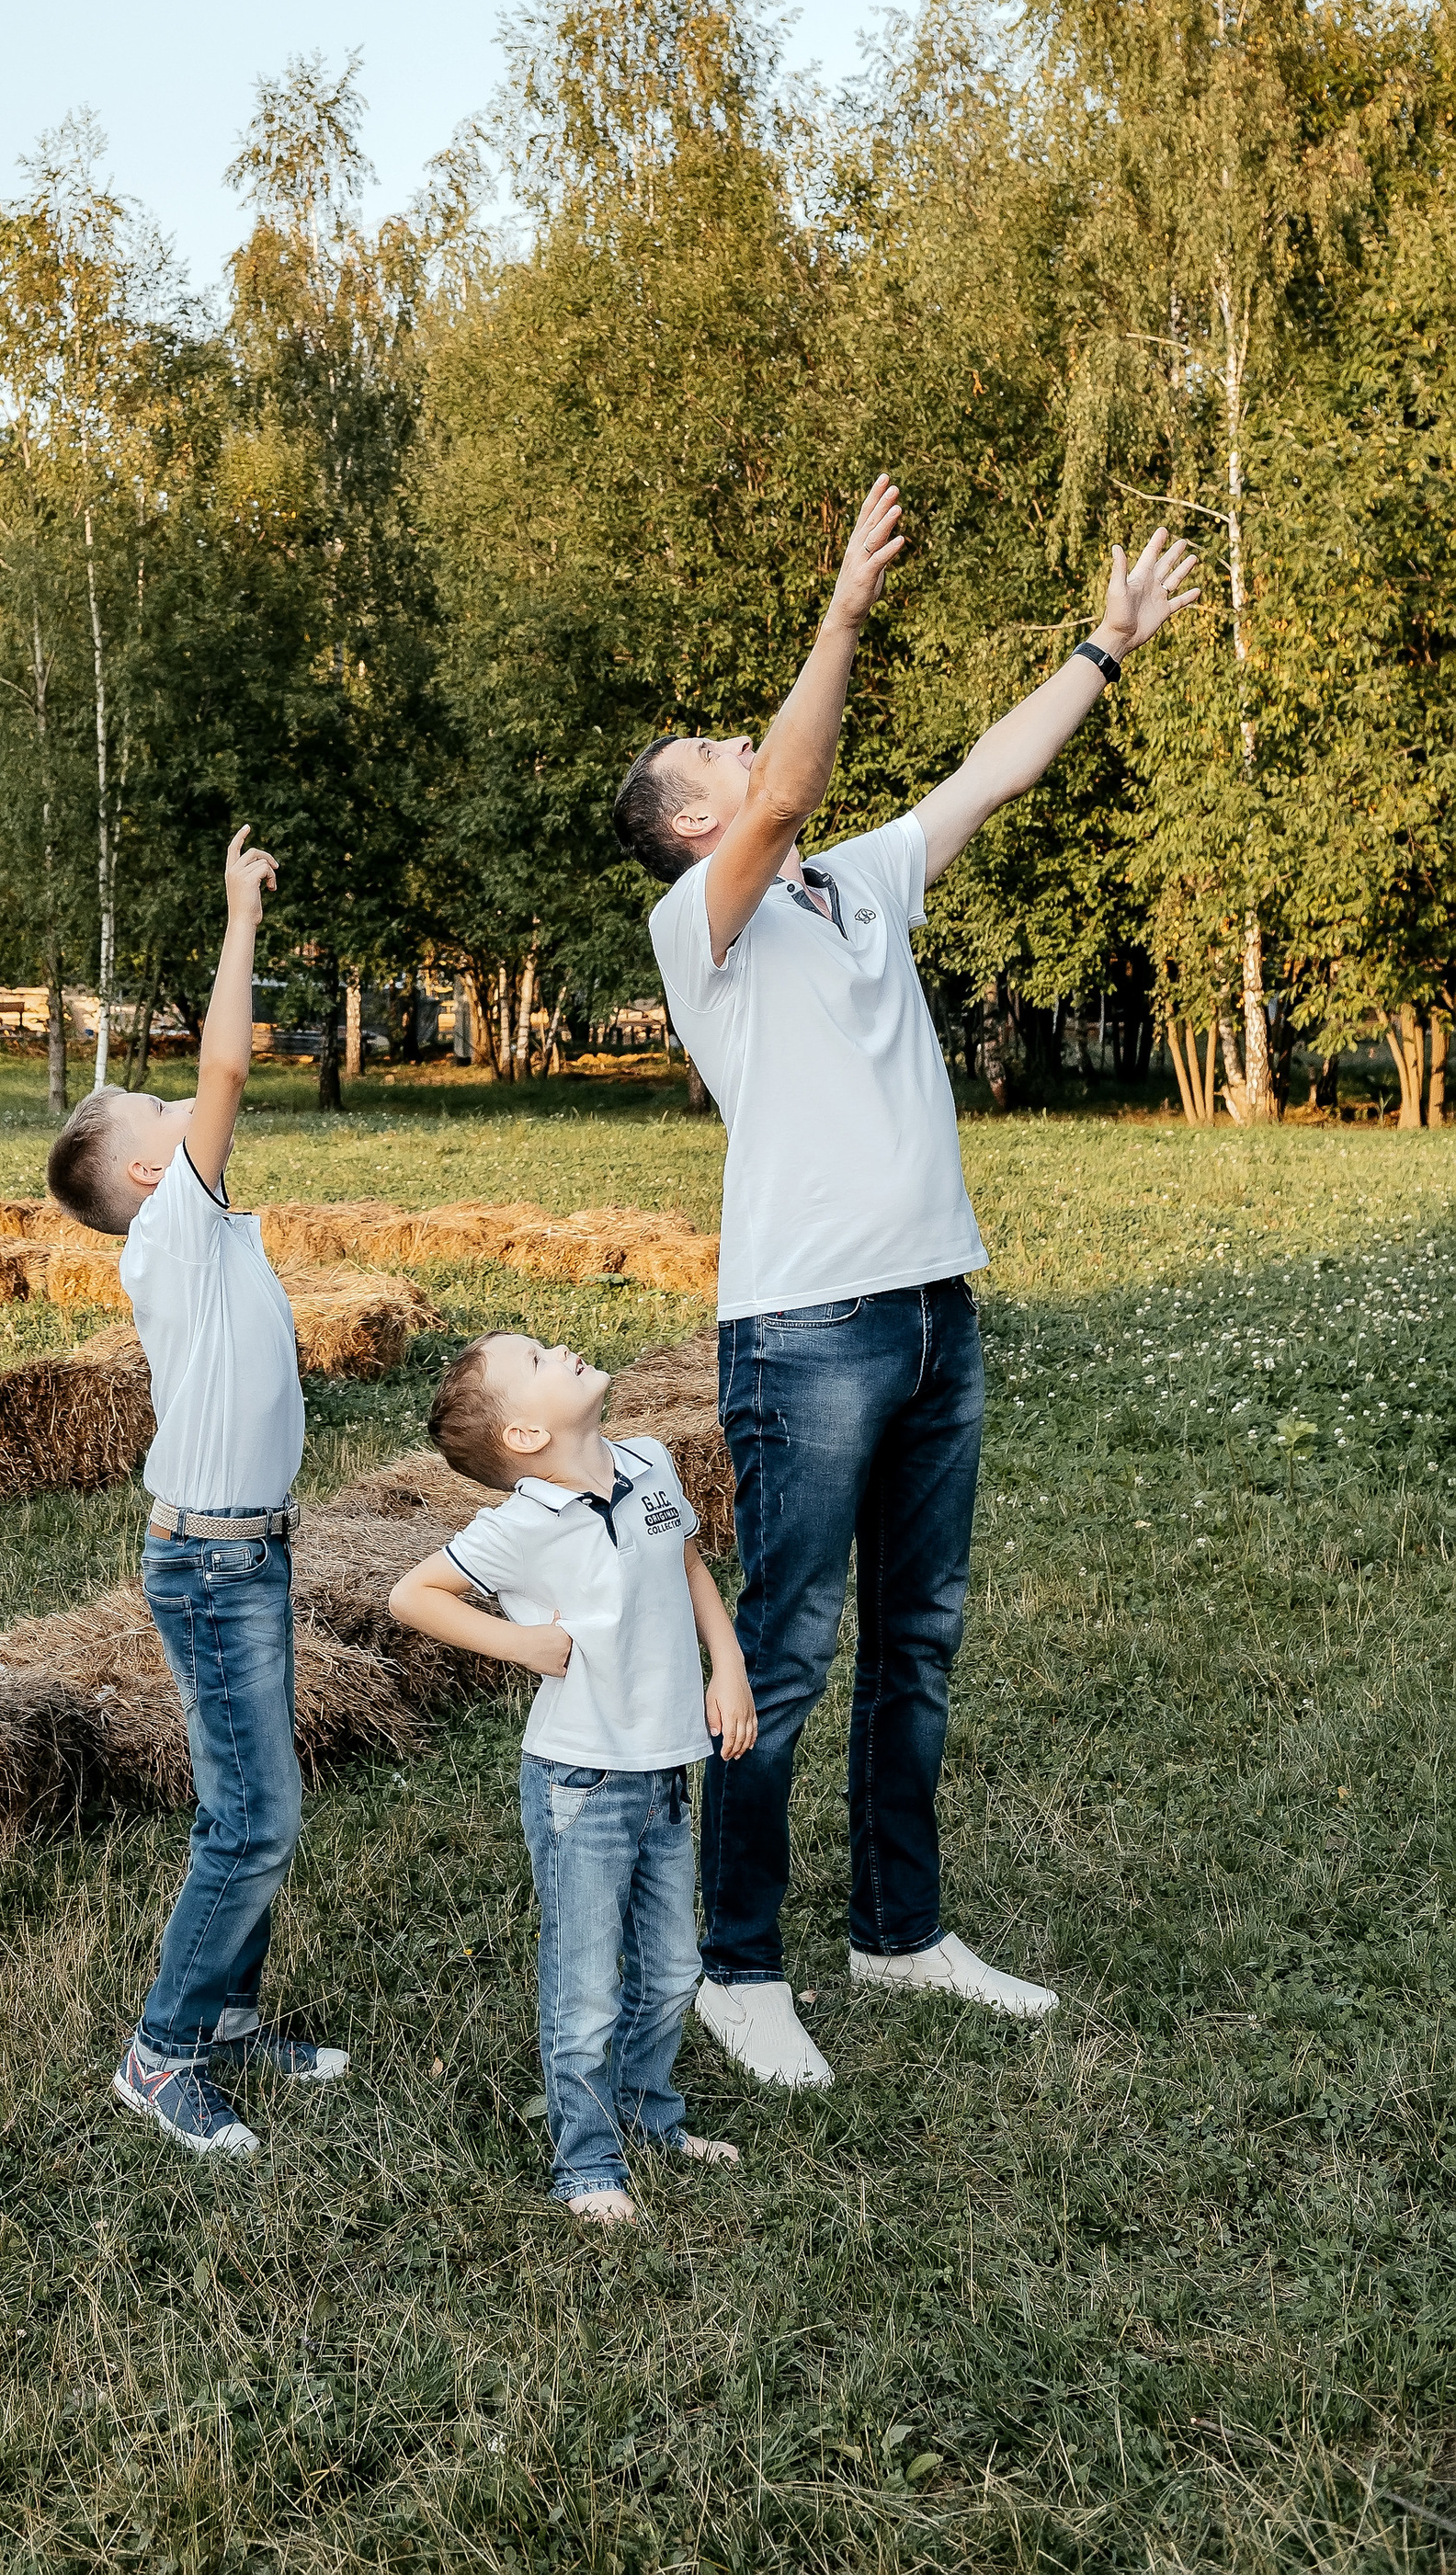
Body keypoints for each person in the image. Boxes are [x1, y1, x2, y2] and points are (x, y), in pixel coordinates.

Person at [612, 484, 1196, 2091]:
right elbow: (788, 788)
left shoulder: (857, 880)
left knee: (917, 1636)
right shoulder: (701, 923)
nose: (743, 746)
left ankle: (898, 1928)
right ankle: (738, 1964)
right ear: (692, 823)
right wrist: (843, 611)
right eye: (715, 755)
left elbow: (991, 771)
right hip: (807, 1331)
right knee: (788, 1652)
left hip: (937, 1305)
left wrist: (1103, 648)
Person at [47, 825, 347, 2157]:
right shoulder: (174, 1219)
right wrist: (238, 918)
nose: (192, 1105)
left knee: (257, 1793)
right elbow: (227, 1063)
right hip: (215, 1561)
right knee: (253, 1816)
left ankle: (223, 2015)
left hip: (246, 1551)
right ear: (145, 1172)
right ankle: (161, 2050)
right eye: (163, 1112)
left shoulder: (203, 1227)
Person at [388, 1332, 756, 2221]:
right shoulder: (521, 1525)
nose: (560, 1346)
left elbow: (688, 1564)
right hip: (581, 1782)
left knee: (673, 1970)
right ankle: (586, 2163)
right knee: (586, 1987)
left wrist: (729, 1666)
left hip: (666, 1766)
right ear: (522, 1435)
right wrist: (519, 1642)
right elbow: (413, 1595)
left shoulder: (650, 1461)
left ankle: (649, 2115)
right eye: (536, 1359)